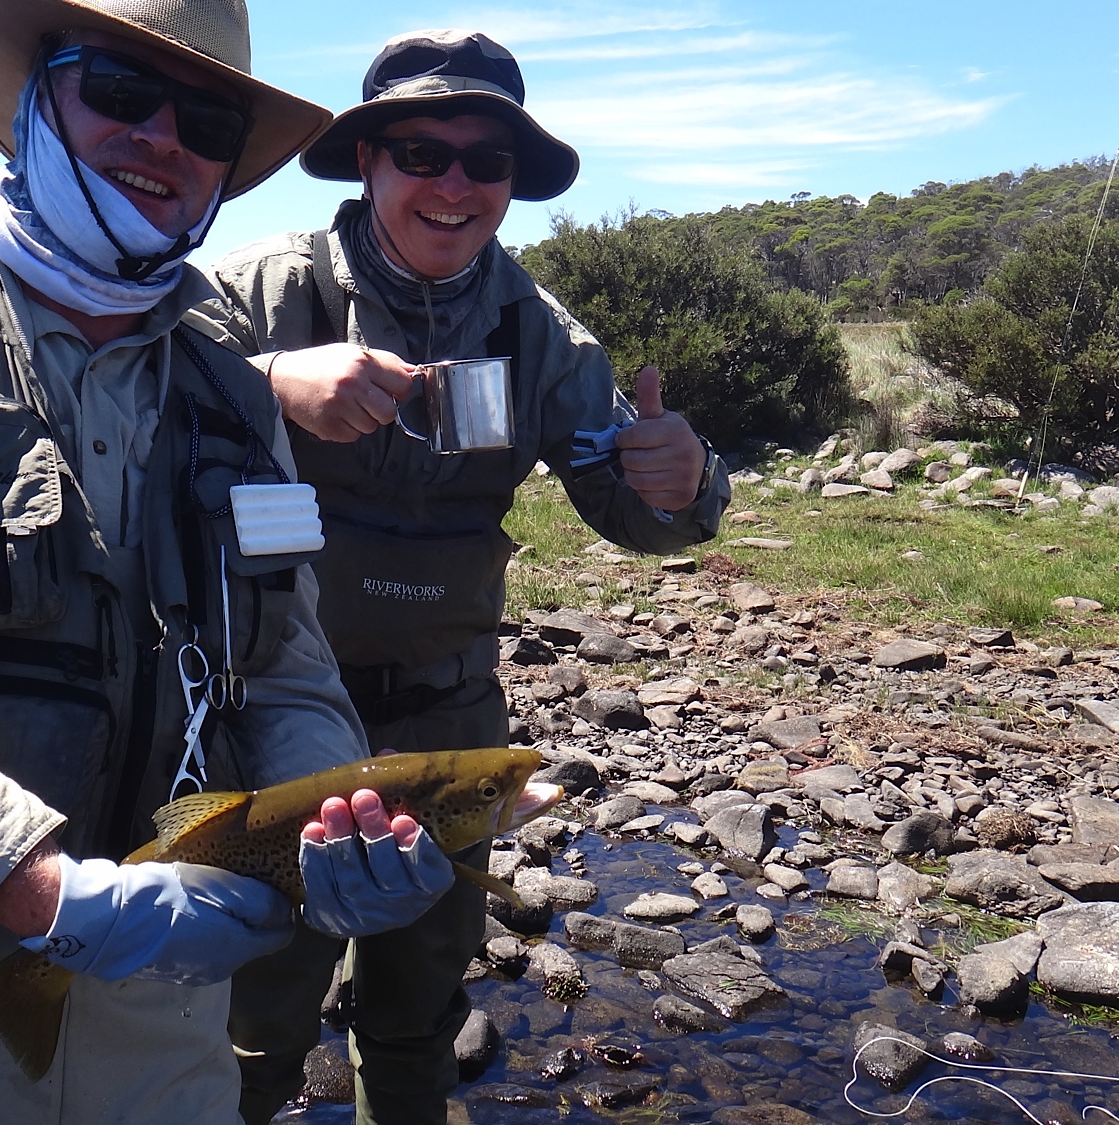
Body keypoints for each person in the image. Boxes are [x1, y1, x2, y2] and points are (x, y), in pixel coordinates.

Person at [0, 2, 453, 1121]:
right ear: (33, 100)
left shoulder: (241, 398)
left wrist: (330, 829)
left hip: (165, 1031)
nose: (161, 137)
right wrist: (32, 886)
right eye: (116, 91)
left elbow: (288, 667)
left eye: (204, 121)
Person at [193, 29, 729, 1125]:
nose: (453, 184)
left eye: (485, 163)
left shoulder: (542, 338)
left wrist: (684, 481)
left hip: (447, 718)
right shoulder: (251, 294)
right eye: (420, 152)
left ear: (511, 186)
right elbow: (115, 433)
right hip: (265, 713)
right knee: (255, 1009)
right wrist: (264, 384)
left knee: (416, 1002)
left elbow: (634, 510)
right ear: (367, 162)